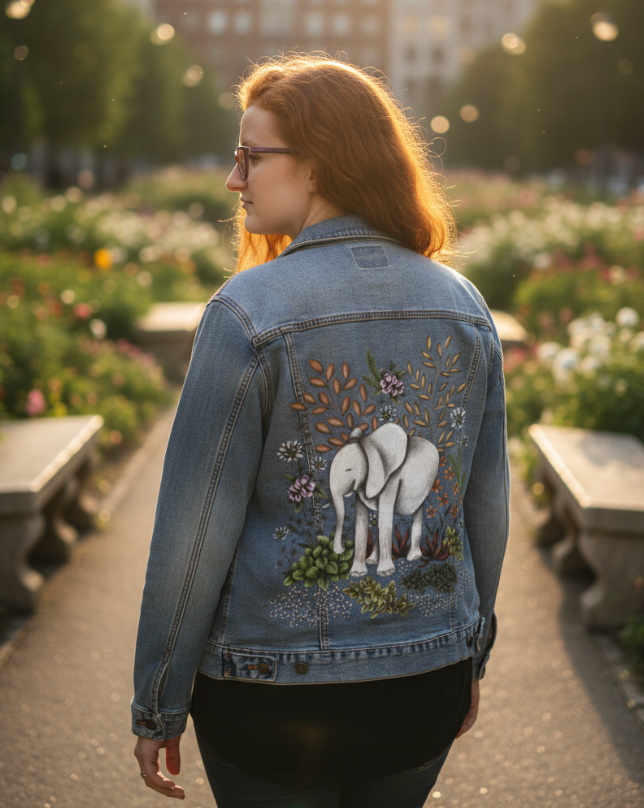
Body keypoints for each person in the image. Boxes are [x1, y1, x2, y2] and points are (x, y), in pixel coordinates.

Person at [132, 54, 509, 808]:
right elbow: (485, 510)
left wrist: (158, 700)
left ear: (318, 163)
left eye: (249, 156)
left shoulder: (246, 313)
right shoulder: (463, 304)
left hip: (270, 692)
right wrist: (468, 654)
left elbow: (194, 531)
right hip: (422, 684)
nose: (233, 180)